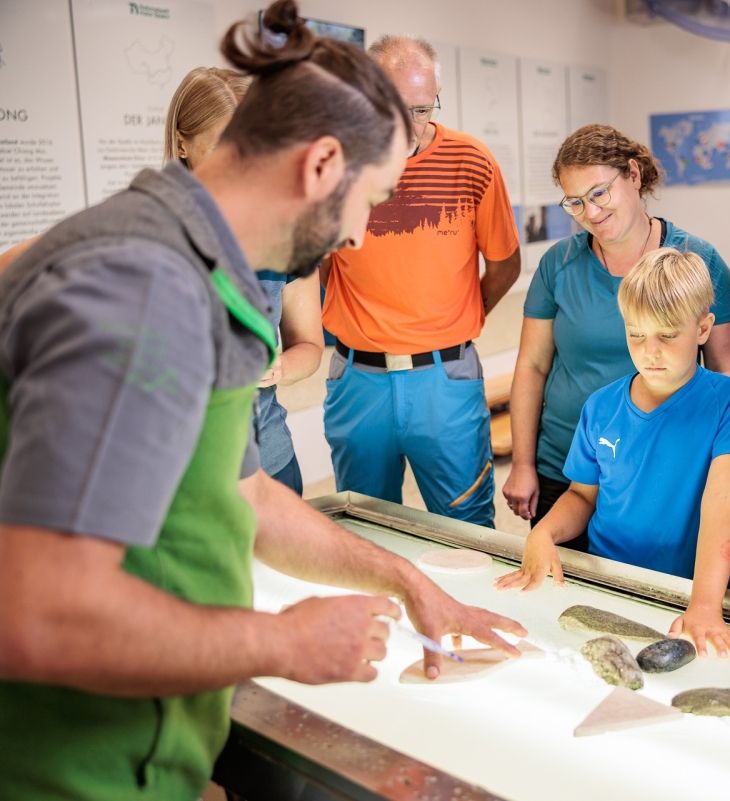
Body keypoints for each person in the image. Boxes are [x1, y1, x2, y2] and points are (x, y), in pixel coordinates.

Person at [0, 5, 524, 800]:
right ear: (320, 165)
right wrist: (282, 640)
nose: (355, 237)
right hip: (73, 771)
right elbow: (40, 615)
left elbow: (244, 496)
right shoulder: (145, 290)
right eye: (370, 199)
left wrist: (403, 580)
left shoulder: (197, 270)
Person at [497, 247, 730, 656]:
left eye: (668, 335)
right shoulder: (601, 406)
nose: (649, 350)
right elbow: (581, 496)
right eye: (636, 333)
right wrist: (544, 533)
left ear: (704, 328)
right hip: (609, 580)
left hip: (693, 589)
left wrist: (706, 603)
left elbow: (726, 500)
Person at [502, 124, 730, 542]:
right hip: (565, 461)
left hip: (666, 463)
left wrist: (716, 466)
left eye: (599, 193)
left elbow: (725, 374)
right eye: (575, 203)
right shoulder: (559, 264)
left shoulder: (697, 259)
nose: (591, 213)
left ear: (633, 175)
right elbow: (532, 365)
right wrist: (522, 463)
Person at [321, 35, 521, 527]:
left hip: (445, 378)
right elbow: (320, 267)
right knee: (363, 522)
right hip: (357, 380)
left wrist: (455, 317)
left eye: (423, 108)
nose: (411, 124)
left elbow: (505, 265)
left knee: (467, 528)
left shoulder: (471, 161)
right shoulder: (334, 166)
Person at [166, 66, 323, 494]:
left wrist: (280, 367)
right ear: (182, 141)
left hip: (270, 464)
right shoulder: (147, 229)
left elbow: (308, 345)